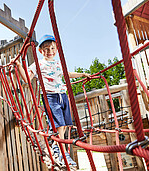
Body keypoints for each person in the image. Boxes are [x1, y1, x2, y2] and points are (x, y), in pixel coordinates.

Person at [15, 34, 90, 166]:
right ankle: (61, 152)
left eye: (52, 48)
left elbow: (67, 74)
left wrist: (82, 74)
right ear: (40, 51)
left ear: (56, 49)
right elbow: (27, 79)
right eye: (46, 49)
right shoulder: (38, 64)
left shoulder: (57, 63)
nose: (50, 52)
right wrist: (19, 66)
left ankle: (55, 143)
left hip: (63, 95)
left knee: (66, 125)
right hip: (50, 96)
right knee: (59, 125)